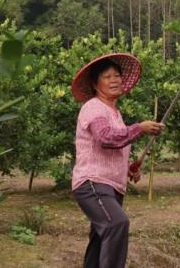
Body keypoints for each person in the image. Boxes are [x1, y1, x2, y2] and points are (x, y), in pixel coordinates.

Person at [70, 53, 164, 268]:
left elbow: (114, 147)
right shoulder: (94, 107)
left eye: (117, 75)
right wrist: (139, 128)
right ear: (95, 84)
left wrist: (129, 168)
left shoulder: (115, 114)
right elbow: (105, 138)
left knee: (100, 240)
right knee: (116, 224)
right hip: (92, 183)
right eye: (107, 76)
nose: (114, 80)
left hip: (111, 187)